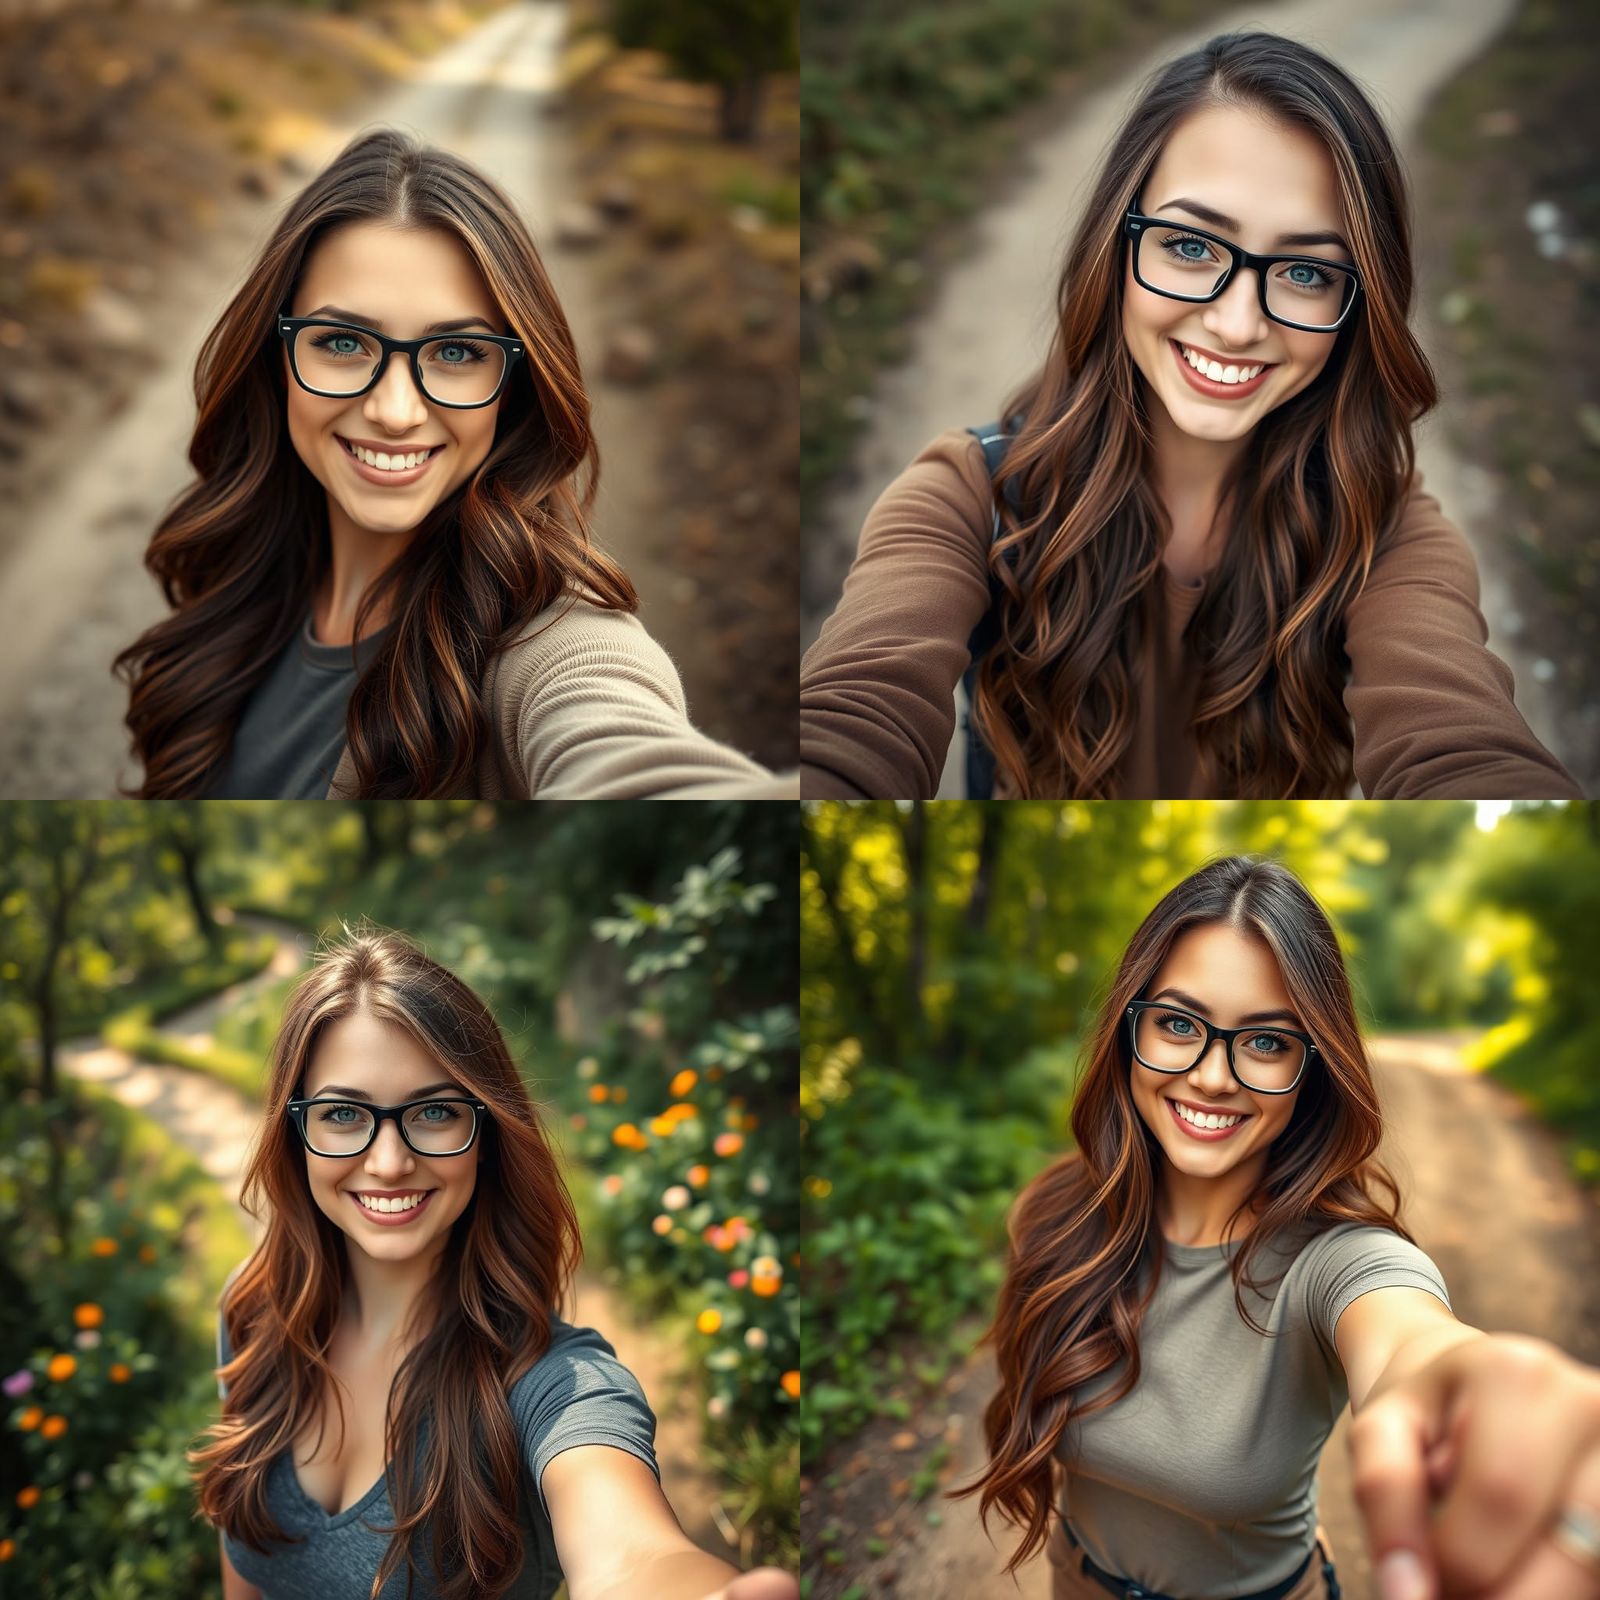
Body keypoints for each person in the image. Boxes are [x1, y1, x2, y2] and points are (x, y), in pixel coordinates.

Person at [799, 32, 1582, 802]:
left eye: (1306, 271)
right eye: (1192, 247)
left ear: (1358, 304)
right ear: (1117, 242)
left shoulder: (1388, 534)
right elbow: (854, 718)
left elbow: (1456, 744)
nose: (1239, 325)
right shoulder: (970, 495)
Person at [953, 856, 1600, 1600]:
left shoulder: (1337, 1262)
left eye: (1265, 1042)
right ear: (1130, 1028)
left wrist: (1474, 1390)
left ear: (1312, 1066)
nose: (1212, 1076)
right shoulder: (1060, 1211)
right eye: (1177, 1023)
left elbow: (1410, 1340)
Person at [114, 127, 792, 801]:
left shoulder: (558, 652)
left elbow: (629, 758)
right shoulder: (242, 575)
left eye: (459, 353)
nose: (396, 409)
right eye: (344, 341)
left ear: (515, 386)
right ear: (277, 358)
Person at [190, 926, 797, 1600]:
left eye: (436, 1112)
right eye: (342, 1114)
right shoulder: (255, 1311)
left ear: (487, 1133)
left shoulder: (551, 1383)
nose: (389, 1163)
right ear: (294, 1131)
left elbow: (628, 1550)